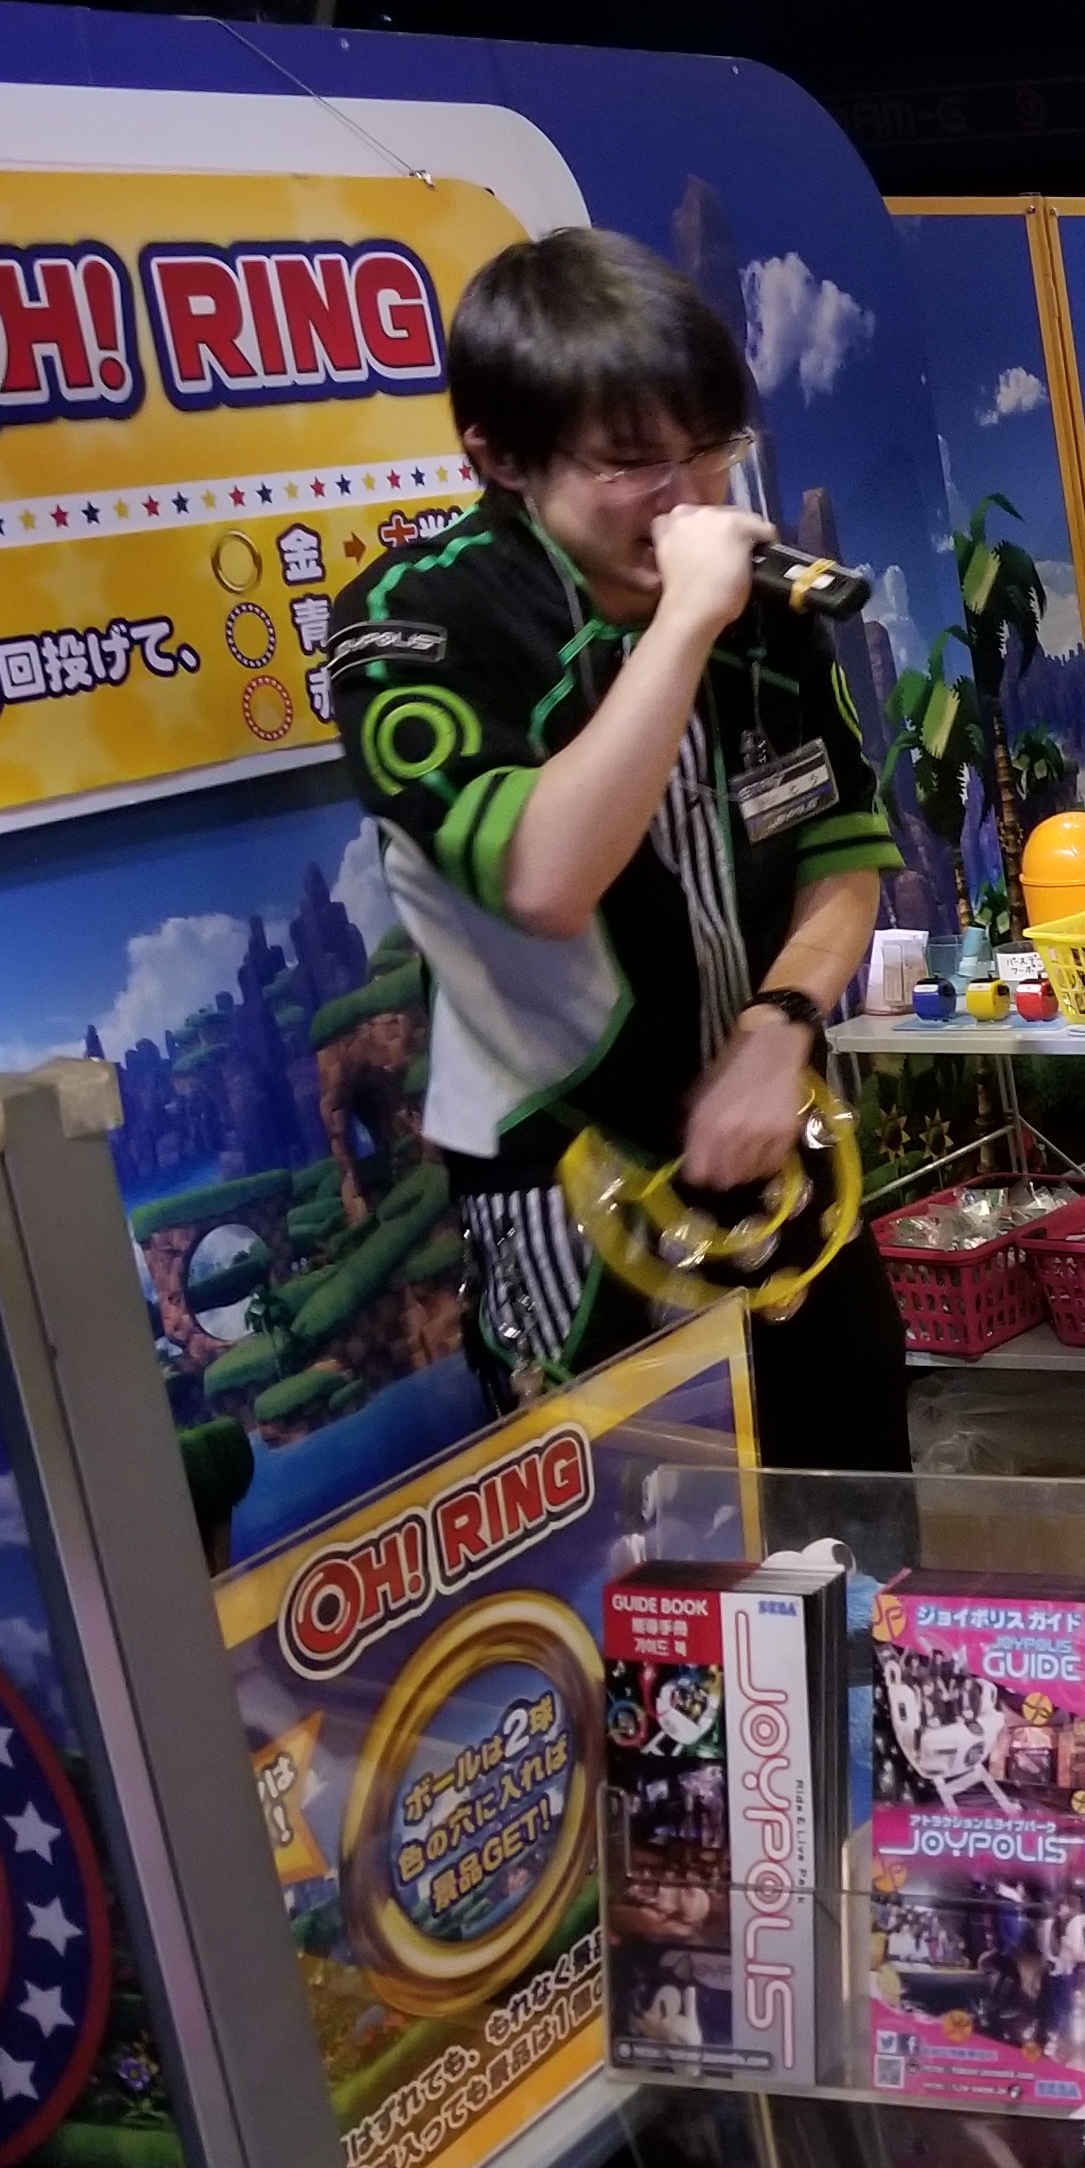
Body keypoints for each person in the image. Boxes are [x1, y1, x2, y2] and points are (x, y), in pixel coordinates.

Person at [328, 228, 910, 1470]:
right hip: (567, 1182)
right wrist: (688, 619)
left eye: (710, 449)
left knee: (863, 1500)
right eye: (634, 463)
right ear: (499, 453)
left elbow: (843, 851)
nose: (690, 499)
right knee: (655, 1550)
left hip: (784, 1145)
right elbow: (545, 880)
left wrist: (780, 1028)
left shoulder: (769, 607)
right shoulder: (415, 620)